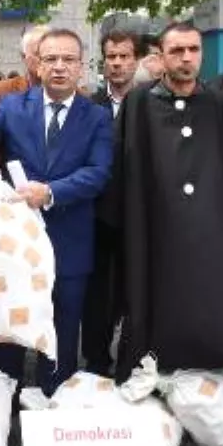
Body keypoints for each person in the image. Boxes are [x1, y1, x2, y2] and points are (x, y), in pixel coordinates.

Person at [111, 23, 223, 381]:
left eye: (193, 50)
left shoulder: (220, 105)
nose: (186, 58)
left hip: (211, 232)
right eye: (177, 51)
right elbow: (123, 165)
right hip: (156, 231)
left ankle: (215, 389)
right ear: (160, 56)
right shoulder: (138, 103)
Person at [0, 28, 114, 394]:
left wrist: (50, 192)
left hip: (69, 242)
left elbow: (98, 173)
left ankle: (54, 409)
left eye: (68, 60)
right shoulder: (11, 107)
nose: (59, 67)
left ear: (81, 67)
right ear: (36, 65)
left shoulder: (97, 117)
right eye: (51, 59)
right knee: (9, 334)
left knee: (61, 334)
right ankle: (1, 410)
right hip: (15, 246)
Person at [82, 30, 141, 376]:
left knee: (137, 295)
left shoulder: (151, 101)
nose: (117, 63)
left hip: (140, 218)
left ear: (135, 60)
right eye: (111, 57)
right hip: (98, 219)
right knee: (98, 300)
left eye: (124, 56)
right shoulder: (89, 106)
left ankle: (132, 366)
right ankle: (96, 363)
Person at [0, 25, 50, 121]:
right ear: (23, 56)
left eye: (51, 55)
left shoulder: (74, 94)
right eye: (38, 53)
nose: (45, 59)